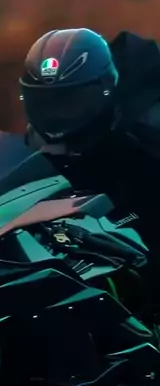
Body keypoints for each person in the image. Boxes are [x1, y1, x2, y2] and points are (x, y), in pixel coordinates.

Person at [19, 27, 160, 326]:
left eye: (70, 102)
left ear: (106, 90)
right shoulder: (33, 143)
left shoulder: (144, 140)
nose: (56, 116)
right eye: (45, 104)